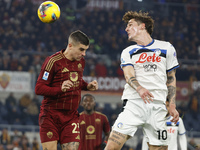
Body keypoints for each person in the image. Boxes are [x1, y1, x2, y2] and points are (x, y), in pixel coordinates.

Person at [105, 11, 179, 150]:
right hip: (134, 103)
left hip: (158, 105)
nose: (126, 29)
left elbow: (171, 78)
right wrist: (140, 88)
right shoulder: (128, 51)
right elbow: (128, 75)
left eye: (130, 25)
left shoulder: (166, 47)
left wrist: (172, 105)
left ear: (142, 26)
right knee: (112, 146)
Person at [35, 30, 98, 150]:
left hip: (70, 117)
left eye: (85, 50)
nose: (84, 54)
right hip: (50, 116)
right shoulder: (52, 61)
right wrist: (60, 89)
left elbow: (77, 81)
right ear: (70, 45)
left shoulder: (81, 62)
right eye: (81, 49)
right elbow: (39, 88)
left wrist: (87, 86)